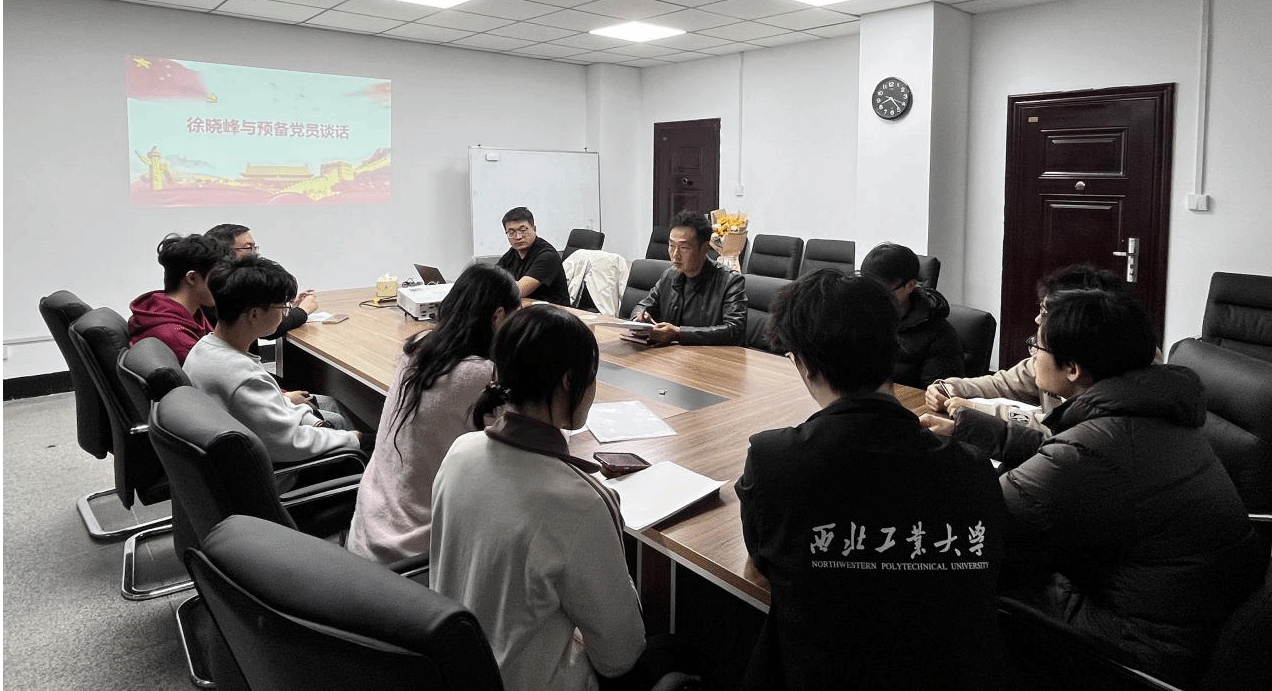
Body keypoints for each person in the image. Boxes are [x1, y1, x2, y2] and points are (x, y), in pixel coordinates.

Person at [924, 290, 1261, 686]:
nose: (1031, 355)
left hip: (1133, 654)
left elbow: (982, 527)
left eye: (1037, 346)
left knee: (950, 584)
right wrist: (970, 429)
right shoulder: (1151, 414)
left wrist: (925, 468)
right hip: (1177, 618)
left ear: (1072, 369)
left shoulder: (1096, 447)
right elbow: (1074, 458)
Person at [734, 270, 1007, 691]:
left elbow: (762, 562)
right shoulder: (973, 468)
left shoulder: (774, 460)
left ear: (804, 363)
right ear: (891, 348)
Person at [429, 306, 646, 691]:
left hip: (455, 673)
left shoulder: (459, 452)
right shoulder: (579, 503)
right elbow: (620, 656)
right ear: (568, 381)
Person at [345, 264, 521, 565]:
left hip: (369, 531)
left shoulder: (418, 347)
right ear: (498, 316)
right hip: (414, 554)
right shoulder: (479, 374)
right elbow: (524, 437)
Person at [925, 262, 1160, 431]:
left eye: (1046, 313)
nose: (1038, 320)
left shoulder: (1120, 372)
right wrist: (951, 387)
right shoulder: (1058, 353)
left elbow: (1062, 428)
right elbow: (1003, 382)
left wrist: (975, 409)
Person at [184, 255, 364, 471]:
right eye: (283, 308)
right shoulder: (242, 376)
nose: (285, 314)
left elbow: (273, 411)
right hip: (281, 475)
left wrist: (311, 420)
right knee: (370, 446)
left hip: (240, 460)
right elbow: (289, 443)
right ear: (254, 314)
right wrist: (354, 438)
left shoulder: (205, 348)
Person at [630, 210, 747, 346]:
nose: (675, 254)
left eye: (684, 247)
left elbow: (734, 330)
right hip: (672, 354)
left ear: (704, 248)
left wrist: (679, 333)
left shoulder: (730, 282)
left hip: (711, 356)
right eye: (671, 246)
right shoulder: (669, 276)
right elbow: (643, 306)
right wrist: (640, 317)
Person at [859, 241, 962, 388]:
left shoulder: (940, 335)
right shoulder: (861, 317)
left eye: (881, 292)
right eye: (867, 290)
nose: (872, 298)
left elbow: (936, 395)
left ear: (910, 286)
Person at [127, 233, 231, 363]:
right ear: (192, 278)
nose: (224, 284)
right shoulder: (177, 338)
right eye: (218, 277)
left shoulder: (187, 313)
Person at [205, 223, 318, 336]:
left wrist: (283, 306)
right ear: (223, 253)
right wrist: (304, 310)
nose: (255, 254)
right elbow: (268, 325)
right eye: (248, 248)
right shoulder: (218, 288)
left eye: (255, 248)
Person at [495, 206, 570, 306]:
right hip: (527, 307)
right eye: (511, 233)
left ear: (534, 229)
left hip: (553, 312)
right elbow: (491, 278)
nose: (518, 237)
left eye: (523, 230)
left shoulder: (547, 255)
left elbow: (519, 291)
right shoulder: (513, 253)